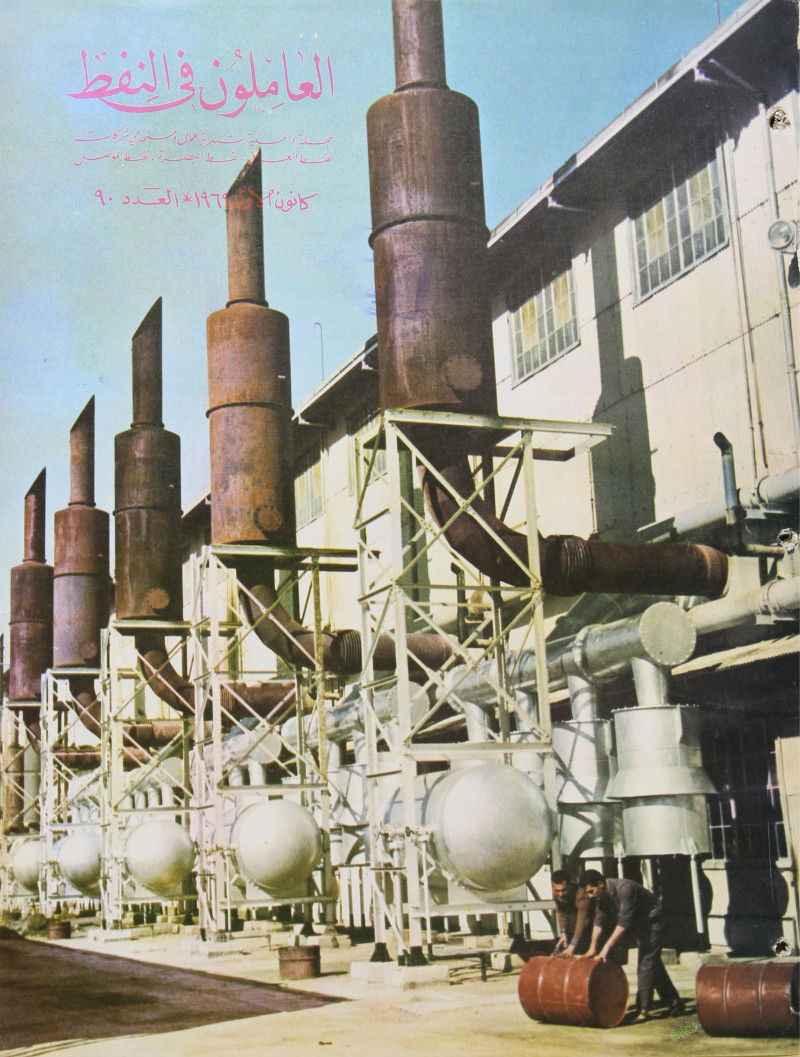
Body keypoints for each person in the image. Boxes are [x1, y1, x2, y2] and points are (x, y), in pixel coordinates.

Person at [578, 869, 685, 1023]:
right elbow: (598, 921)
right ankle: (674, 1002)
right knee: (652, 963)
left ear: (600, 884)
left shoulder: (625, 889)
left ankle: (644, 1009)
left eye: (591, 891)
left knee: (645, 964)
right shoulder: (602, 896)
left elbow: (623, 923)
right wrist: (592, 948)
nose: (589, 896)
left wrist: (605, 949)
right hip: (640, 923)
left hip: (653, 920)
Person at [550, 870, 593, 956]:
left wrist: (573, 945)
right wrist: (563, 932)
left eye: (563, 890)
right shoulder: (556, 893)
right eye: (557, 891)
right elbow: (560, 912)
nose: (560, 894)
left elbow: (582, 920)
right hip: (573, 913)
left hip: (589, 916)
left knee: (576, 924)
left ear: (569, 885)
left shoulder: (581, 894)